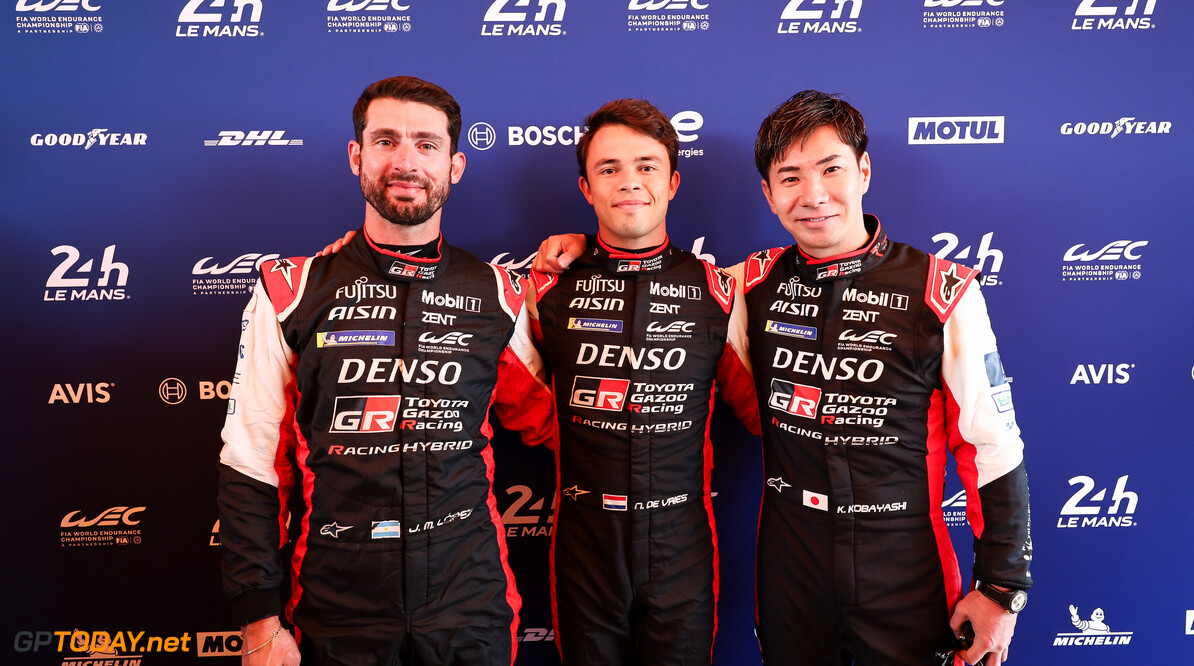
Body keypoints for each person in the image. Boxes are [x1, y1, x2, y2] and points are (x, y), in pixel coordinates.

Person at [535, 91, 1032, 666]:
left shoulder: (943, 290)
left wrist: (1000, 586)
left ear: (863, 171)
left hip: (904, 561)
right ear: (769, 195)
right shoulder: (744, 286)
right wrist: (581, 251)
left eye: (831, 170)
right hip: (790, 560)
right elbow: (650, 288)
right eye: (790, 178)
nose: (814, 195)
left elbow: (992, 444)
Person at [217, 76, 556, 666]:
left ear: (455, 165)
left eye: (426, 144)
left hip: (468, 594)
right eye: (386, 141)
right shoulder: (289, 291)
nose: (405, 161)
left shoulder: (499, 292)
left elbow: (559, 419)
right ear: (357, 157)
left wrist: (602, 255)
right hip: (337, 593)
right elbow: (250, 464)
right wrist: (258, 621)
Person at [526, 99, 759, 665]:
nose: (629, 182)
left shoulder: (722, 291)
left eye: (646, 166)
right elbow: (512, 395)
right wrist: (586, 433)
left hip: (682, 540)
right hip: (585, 540)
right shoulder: (544, 286)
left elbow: (762, 409)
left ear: (673, 182)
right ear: (586, 187)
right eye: (609, 169)